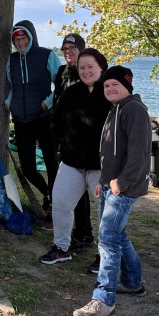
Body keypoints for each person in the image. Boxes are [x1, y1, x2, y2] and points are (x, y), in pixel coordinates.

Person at [73, 66, 150, 316]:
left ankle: (103, 300)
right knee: (118, 234)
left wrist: (122, 182)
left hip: (125, 187)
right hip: (111, 184)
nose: (110, 89)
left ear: (127, 85)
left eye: (115, 84)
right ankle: (132, 282)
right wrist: (104, 181)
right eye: (106, 86)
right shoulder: (115, 109)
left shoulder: (134, 110)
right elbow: (110, 151)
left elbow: (139, 153)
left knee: (107, 239)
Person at [41, 49, 110, 265]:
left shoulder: (110, 92)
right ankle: (62, 247)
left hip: (101, 166)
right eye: (82, 67)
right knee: (60, 204)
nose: (86, 71)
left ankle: (105, 256)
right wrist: (60, 145)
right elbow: (56, 122)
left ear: (101, 68)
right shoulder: (72, 93)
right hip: (71, 163)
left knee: (106, 213)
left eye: (91, 67)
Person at [5, 20, 60, 220]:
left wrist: (48, 102)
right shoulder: (11, 60)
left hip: (44, 118)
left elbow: (61, 85)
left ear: (32, 37)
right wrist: (9, 101)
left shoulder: (47, 55)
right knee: (27, 167)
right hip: (21, 120)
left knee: (51, 162)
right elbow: (13, 86)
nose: (20, 43)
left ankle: (54, 202)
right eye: (17, 39)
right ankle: (46, 193)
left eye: (24, 38)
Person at [52, 33, 94, 250]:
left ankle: (84, 232)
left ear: (81, 49)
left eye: (72, 48)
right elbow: (58, 99)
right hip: (66, 137)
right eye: (65, 49)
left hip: (84, 140)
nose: (68, 52)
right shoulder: (62, 71)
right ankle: (77, 233)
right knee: (69, 193)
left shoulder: (87, 73)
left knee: (81, 192)